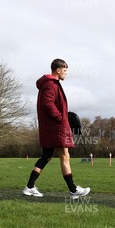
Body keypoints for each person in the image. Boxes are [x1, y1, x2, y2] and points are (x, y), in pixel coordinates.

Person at [23, 59, 90, 198]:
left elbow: (51, 104)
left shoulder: (50, 84)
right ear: (58, 70)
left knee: (46, 157)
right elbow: (47, 104)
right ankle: (73, 190)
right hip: (56, 128)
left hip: (52, 128)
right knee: (64, 156)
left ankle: (29, 186)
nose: (66, 73)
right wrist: (61, 117)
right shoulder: (50, 85)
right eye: (65, 70)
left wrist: (64, 115)